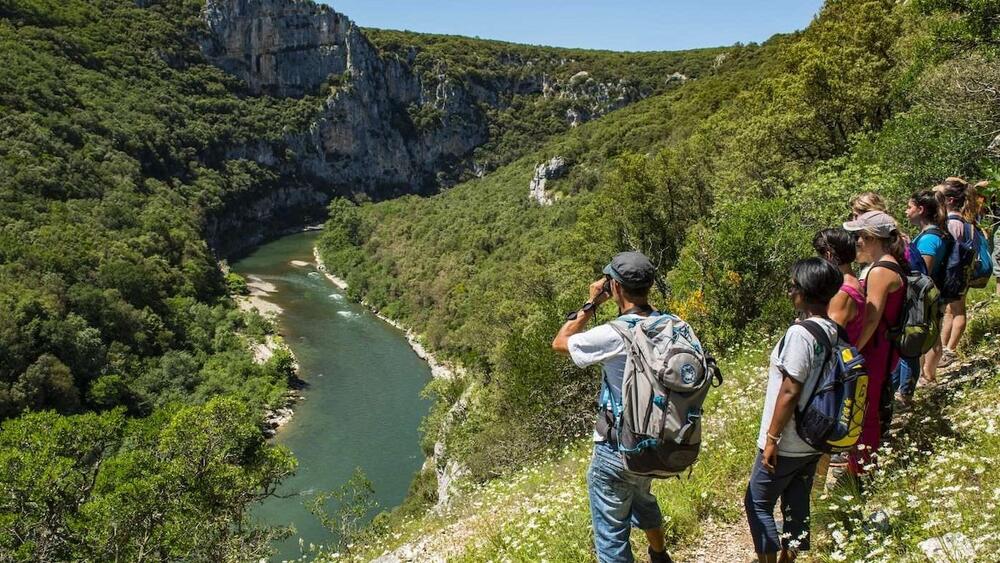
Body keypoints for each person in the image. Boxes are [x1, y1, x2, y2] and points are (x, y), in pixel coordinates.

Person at [552, 251, 673, 563]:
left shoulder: (614, 333)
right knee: (642, 496)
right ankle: (659, 555)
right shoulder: (672, 325)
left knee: (610, 535)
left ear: (616, 288)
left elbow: (560, 341)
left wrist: (592, 303)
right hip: (657, 439)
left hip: (617, 447)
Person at [745, 258, 843, 563]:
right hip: (813, 438)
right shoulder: (833, 330)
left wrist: (771, 440)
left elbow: (790, 390)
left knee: (757, 503)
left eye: (794, 285)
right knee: (797, 500)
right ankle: (790, 557)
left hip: (787, 440)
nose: (790, 291)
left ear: (805, 290)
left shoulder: (801, 334)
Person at [843, 211, 906, 475]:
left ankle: (862, 470)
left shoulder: (880, 271)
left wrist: (853, 350)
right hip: (883, 346)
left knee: (864, 408)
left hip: (875, 349)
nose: (856, 242)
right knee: (867, 405)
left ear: (872, 238)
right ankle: (861, 463)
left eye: (859, 236)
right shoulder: (891, 263)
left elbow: (871, 318)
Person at [810, 229, 864, 488]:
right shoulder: (856, 282)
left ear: (830, 255)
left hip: (833, 375)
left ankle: (814, 496)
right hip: (843, 370)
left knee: (819, 442)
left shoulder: (841, 292)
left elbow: (829, 336)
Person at [901, 190, 950, 389]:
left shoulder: (929, 239)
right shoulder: (932, 234)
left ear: (920, 210)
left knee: (931, 334)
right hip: (935, 292)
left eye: (909, 207)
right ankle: (927, 376)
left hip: (928, 296)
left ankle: (928, 377)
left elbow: (922, 273)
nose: (906, 211)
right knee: (932, 332)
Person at [936, 178, 971, 367]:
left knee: (957, 310)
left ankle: (950, 349)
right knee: (952, 310)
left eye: (940, 196)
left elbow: (951, 251)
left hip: (954, 273)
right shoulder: (962, 219)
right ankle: (944, 348)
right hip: (959, 272)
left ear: (949, 200)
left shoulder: (952, 222)